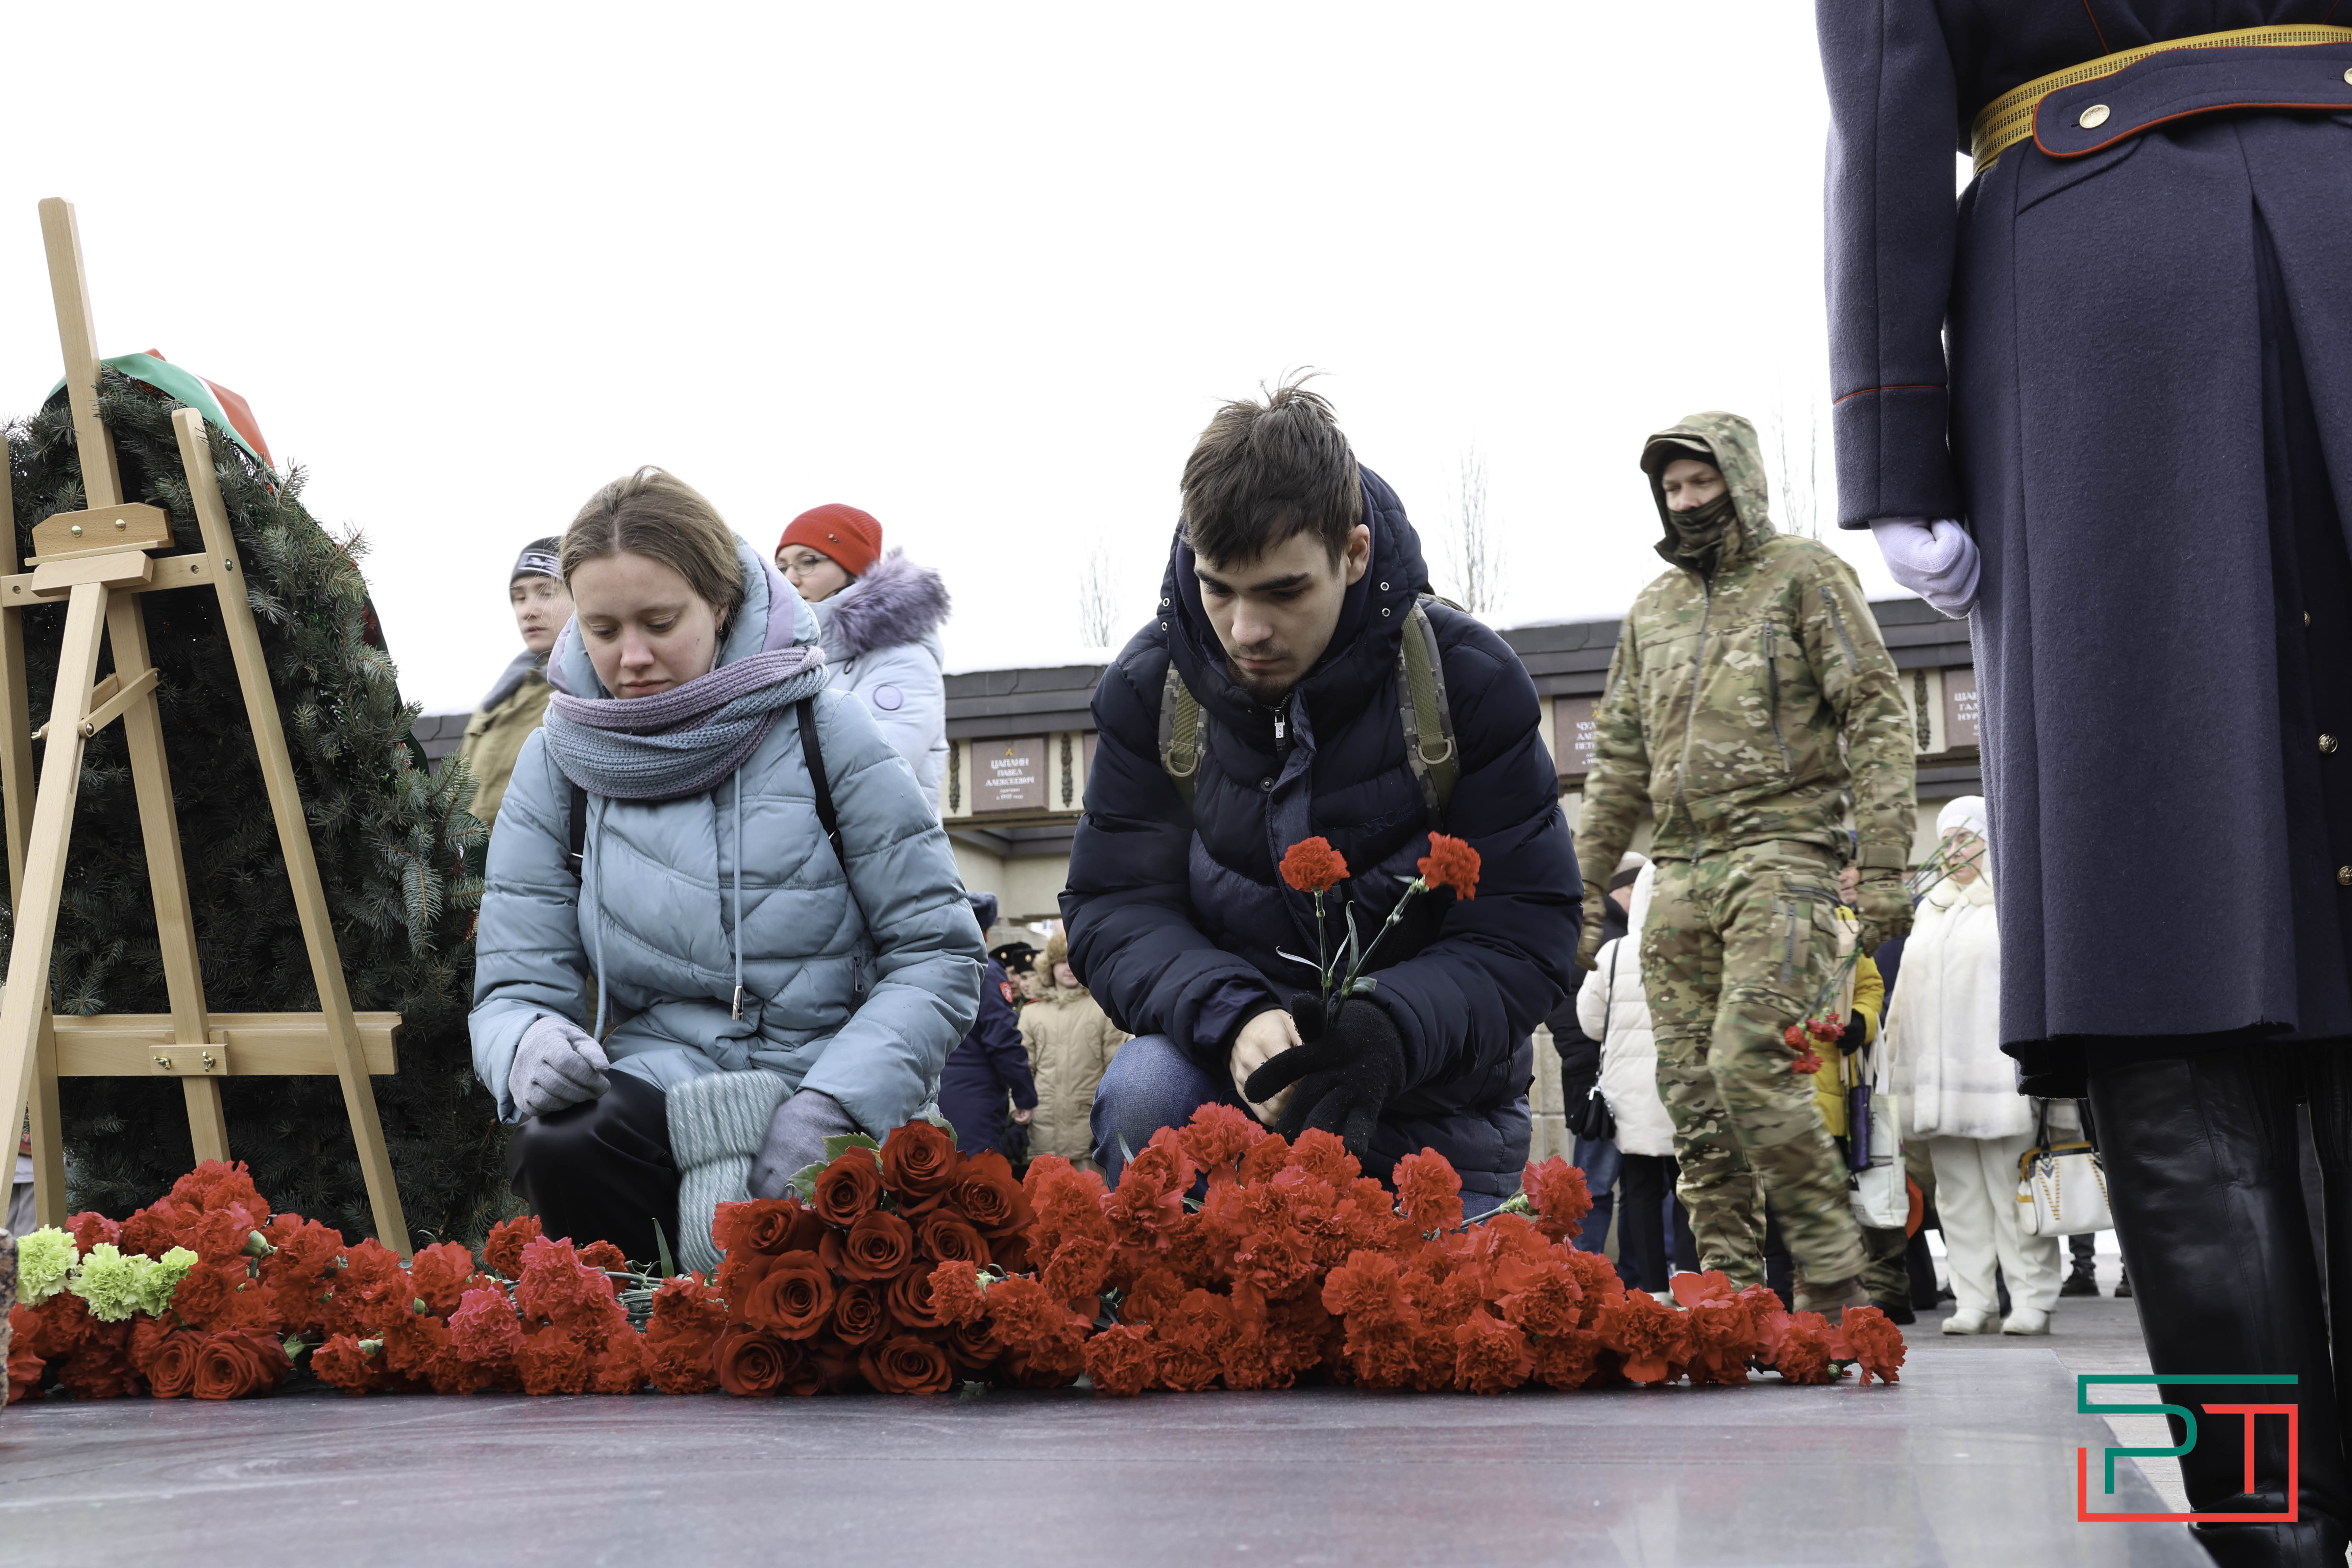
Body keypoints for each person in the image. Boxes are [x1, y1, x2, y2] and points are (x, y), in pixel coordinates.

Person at [1820, 11, 2352, 1549]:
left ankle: (2266, 1524)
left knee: (2149, 929)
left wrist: (1890, 444)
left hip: (2088, 272)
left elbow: (1886, 83)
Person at [1064, 378, 1580, 1210]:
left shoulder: (1467, 680)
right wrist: (1229, 1012)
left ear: (1355, 553)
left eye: (1284, 591)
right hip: (1228, 1082)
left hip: (1433, 1097)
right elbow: (1114, 904)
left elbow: (1530, 925)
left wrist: (1393, 1027)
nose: (1245, 630)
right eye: (1218, 586)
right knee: (1146, 1086)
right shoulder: (1150, 688)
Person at [469, 468, 982, 1273]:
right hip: (661, 1079)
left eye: (660, 621)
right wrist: (527, 1040)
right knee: (562, 1142)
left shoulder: (828, 731)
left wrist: (835, 1104)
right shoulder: (557, 761)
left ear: (720, 603)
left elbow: (938, 953)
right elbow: (514, 982)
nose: (632, 656)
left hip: (836, 1073)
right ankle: (636, 1339)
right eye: (602, 629)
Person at [1574, 411, 1916, 1322]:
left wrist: (1885, 862)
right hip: (1680, 870)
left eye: (1703, 481)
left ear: (1741, 480)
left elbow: (1876, 711)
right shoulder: (1653, 611)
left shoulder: (1805, 576)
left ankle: (1833, 1275)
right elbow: (1616, 765)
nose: (1689, 500)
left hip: (1783, 852)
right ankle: (1729, 1295)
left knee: (1746, 1059)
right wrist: (1584, 889)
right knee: (1692, 1093)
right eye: (1673, 487)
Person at [1886, 798, 2059, 1336]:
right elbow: (1905, 997)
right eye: (1948, 840)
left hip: (1997, 1075)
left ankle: (2031, 1298)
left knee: (2014, 1192)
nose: (1956, 850)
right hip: (1937, 1083)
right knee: (1956, 1196)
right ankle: (1974, 1300)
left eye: (1968, 838)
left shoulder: (2010, 903)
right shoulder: (1930, 909)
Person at [1575, 861, 1698, 1291]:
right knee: (1690, 1189)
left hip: (1630, 1095)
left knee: (1640, 1191)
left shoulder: (1613, 953)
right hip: (1686, 1090)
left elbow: (1591, 1022)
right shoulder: (1698, 951)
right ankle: (1691, 1285)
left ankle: (1653, 1289)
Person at [775, 503, 951, 802]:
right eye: (782, 567)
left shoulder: (903, 660)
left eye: (808, 562)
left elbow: (871, 773)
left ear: (852, 570)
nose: (790, 578)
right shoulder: (782, 659)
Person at [455, 538, 573, 831]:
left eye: (545, 593)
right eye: (519, 598)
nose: (528, 611)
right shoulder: (500, 695)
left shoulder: (588, 693)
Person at [1557, 854, 1640, 1255]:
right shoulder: (1599, 936)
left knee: (1621, 1187)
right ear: (1626, 888)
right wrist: (1587, 1063)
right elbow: (1567, 1011)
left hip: (1606, 1081)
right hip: (1602, 1083)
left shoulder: (1613, 933)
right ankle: (1585, 1270)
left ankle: (1606, 1273)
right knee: (1596, 1187)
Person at [1018, 931, 1128, 1178]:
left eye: (1073, 961)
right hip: (1044, 1125)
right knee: (1045, 1194)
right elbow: (1024, 1066)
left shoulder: (1102, 1008)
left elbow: (1115, 1067)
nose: (1068, 968)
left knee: (1093, 1195)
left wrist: (1111, 1118)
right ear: (1049, 967)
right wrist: (1019, 1106)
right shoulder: (1032, 1012)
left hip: (1088, 1124)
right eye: (1061, 961)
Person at [938, 893, 1037, 1160]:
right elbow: (1002, 1039)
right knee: (977, 1176)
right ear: (986, 932)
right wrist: (1025, 1096)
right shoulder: (986, 970)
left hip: (934, 1091)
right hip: (976, 1097)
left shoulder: (933, 964)